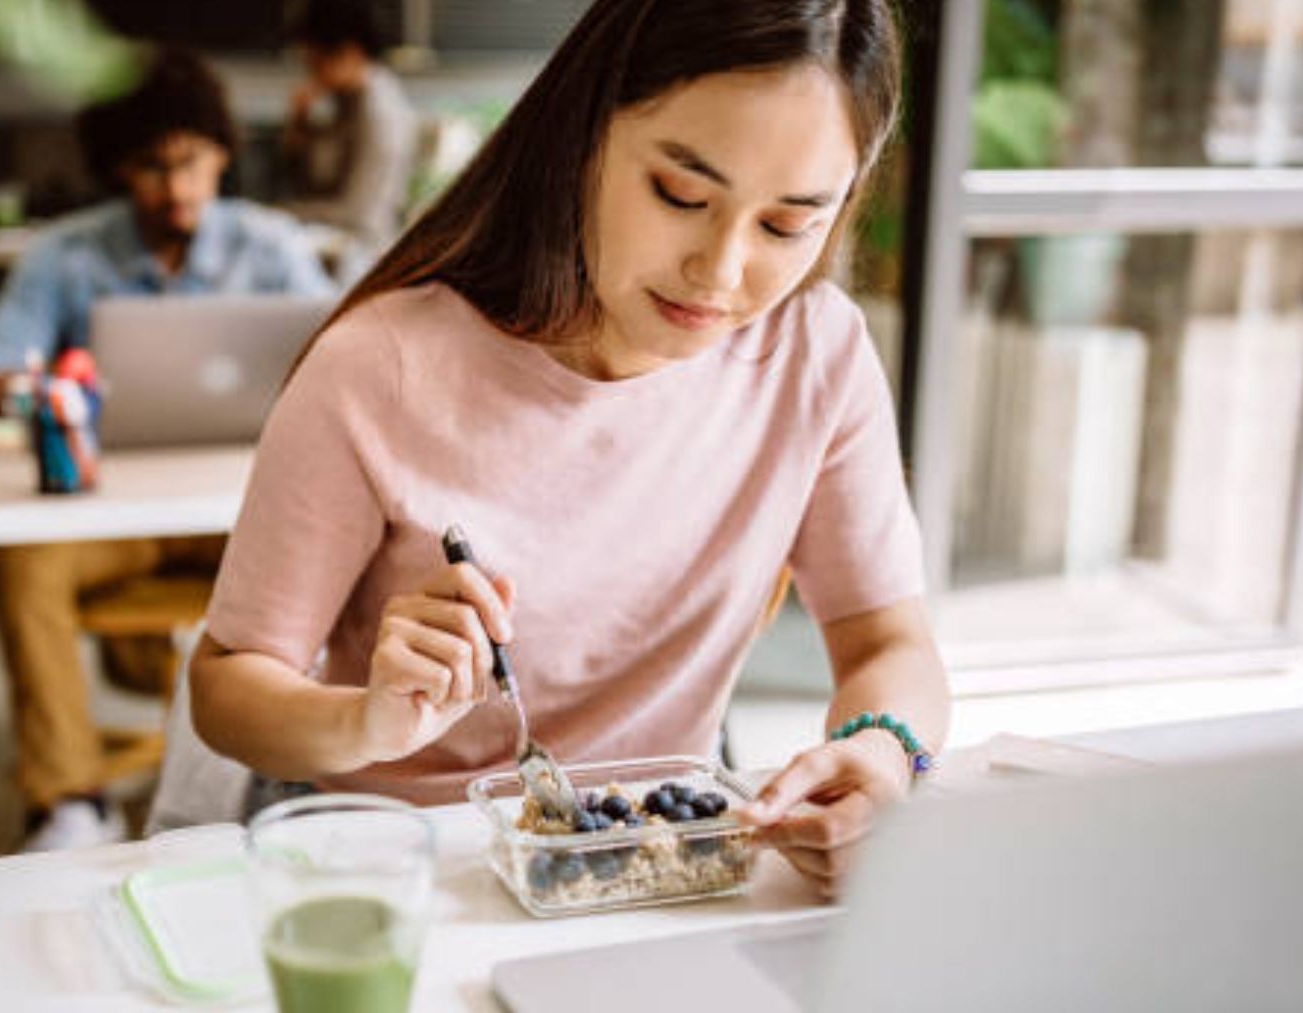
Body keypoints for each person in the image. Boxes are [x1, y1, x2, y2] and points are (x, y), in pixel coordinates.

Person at [191, 0, 950, 898]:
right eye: (681, 194)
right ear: (586, 135)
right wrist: (368, 720)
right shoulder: (380, 364)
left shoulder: (816, 354)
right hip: (401, 868)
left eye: (787, 226)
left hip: (659, 868)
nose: (721, 270)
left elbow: (889, 643)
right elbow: (227, 687)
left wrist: (883, 752)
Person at [0, 47, 335, 852]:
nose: (176, 189)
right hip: (112, 515)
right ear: (117, 170)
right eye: (151, 169)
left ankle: (293, 775)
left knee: (336, 546)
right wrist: (44, 389)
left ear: (223, 154)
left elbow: (352, 358)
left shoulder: (271, 248)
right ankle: (67, 802)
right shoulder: (64, 254)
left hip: (240, 515)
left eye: (192, 163)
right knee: (23, 555)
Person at [279, 0, 417, 265]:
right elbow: (308, 184)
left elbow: (357, 213)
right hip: (331, 241)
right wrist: (298, 125)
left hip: (362, 256)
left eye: (315, 62)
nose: (310, 72)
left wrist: (277, 213)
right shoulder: (344, 100)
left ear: (349, 52)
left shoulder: (379, 112)